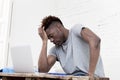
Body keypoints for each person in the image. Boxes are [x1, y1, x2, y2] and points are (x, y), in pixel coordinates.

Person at [38, 15, 105, 78]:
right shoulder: (55, 50)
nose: (51, 40)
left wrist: (90, 75)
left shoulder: (75, 31)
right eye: (49, 38)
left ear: (59, 27)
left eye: (51, 36)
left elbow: (95, 40)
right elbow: (42, 71)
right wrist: (44, 42)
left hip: (93, 77)